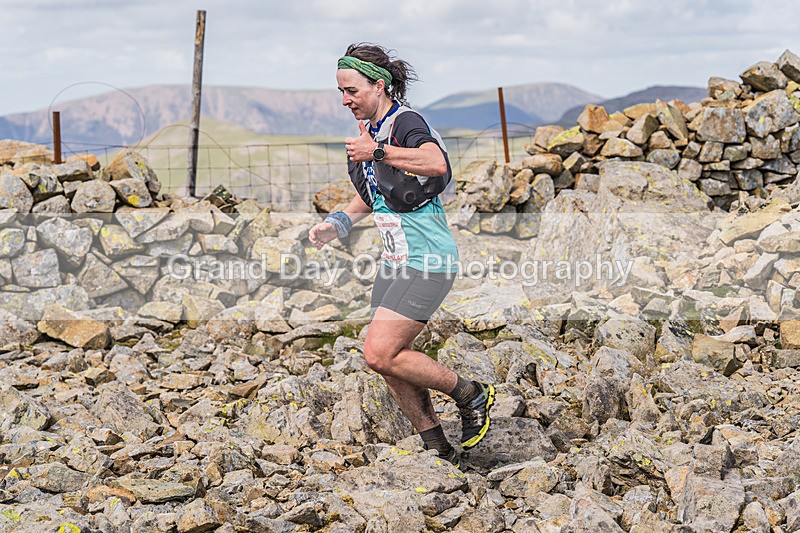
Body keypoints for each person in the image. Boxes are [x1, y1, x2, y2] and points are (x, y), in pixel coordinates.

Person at [308, 43, 495, 467]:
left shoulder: (404, 122)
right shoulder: (369, 132)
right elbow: (372, 194)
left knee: (379, 351)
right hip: (395, 261)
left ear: (379, 84)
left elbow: (435, 163)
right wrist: (338, 223)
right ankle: (438, 448)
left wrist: (377, 151)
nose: (345, 100)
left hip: (427, 259)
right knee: (387, 362)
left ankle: (470, 393)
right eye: (340, 92)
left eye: (352, 90)